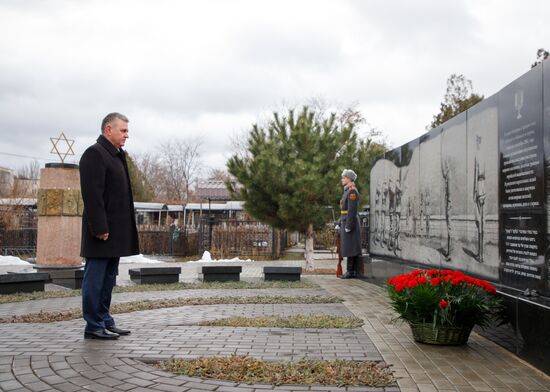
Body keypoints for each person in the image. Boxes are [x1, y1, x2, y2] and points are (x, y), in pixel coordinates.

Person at [80, 112, 139, 340]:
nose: (126, 135)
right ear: (108, 130)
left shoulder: (115, 155)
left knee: (107, 279)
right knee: (94, 280)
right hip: (101, 233)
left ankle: (104, 320)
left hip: (115, 233)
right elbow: (92, 196)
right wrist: (100, 228)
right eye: (123, 130)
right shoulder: (94, 154)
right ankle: (93, 325)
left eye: (126, 131)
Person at [338, 169, 362, 279]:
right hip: (345, 221)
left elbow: (352, 210)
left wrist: (348, 226)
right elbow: (344, 209)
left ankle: (350, 271)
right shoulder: (347, 191)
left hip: (350, 223)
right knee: (348, 247)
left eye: (344, 177)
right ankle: (350, 270)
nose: (342, 179)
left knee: (351, 247)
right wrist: (339, 222)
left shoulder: (352, 191)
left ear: (349, 179)